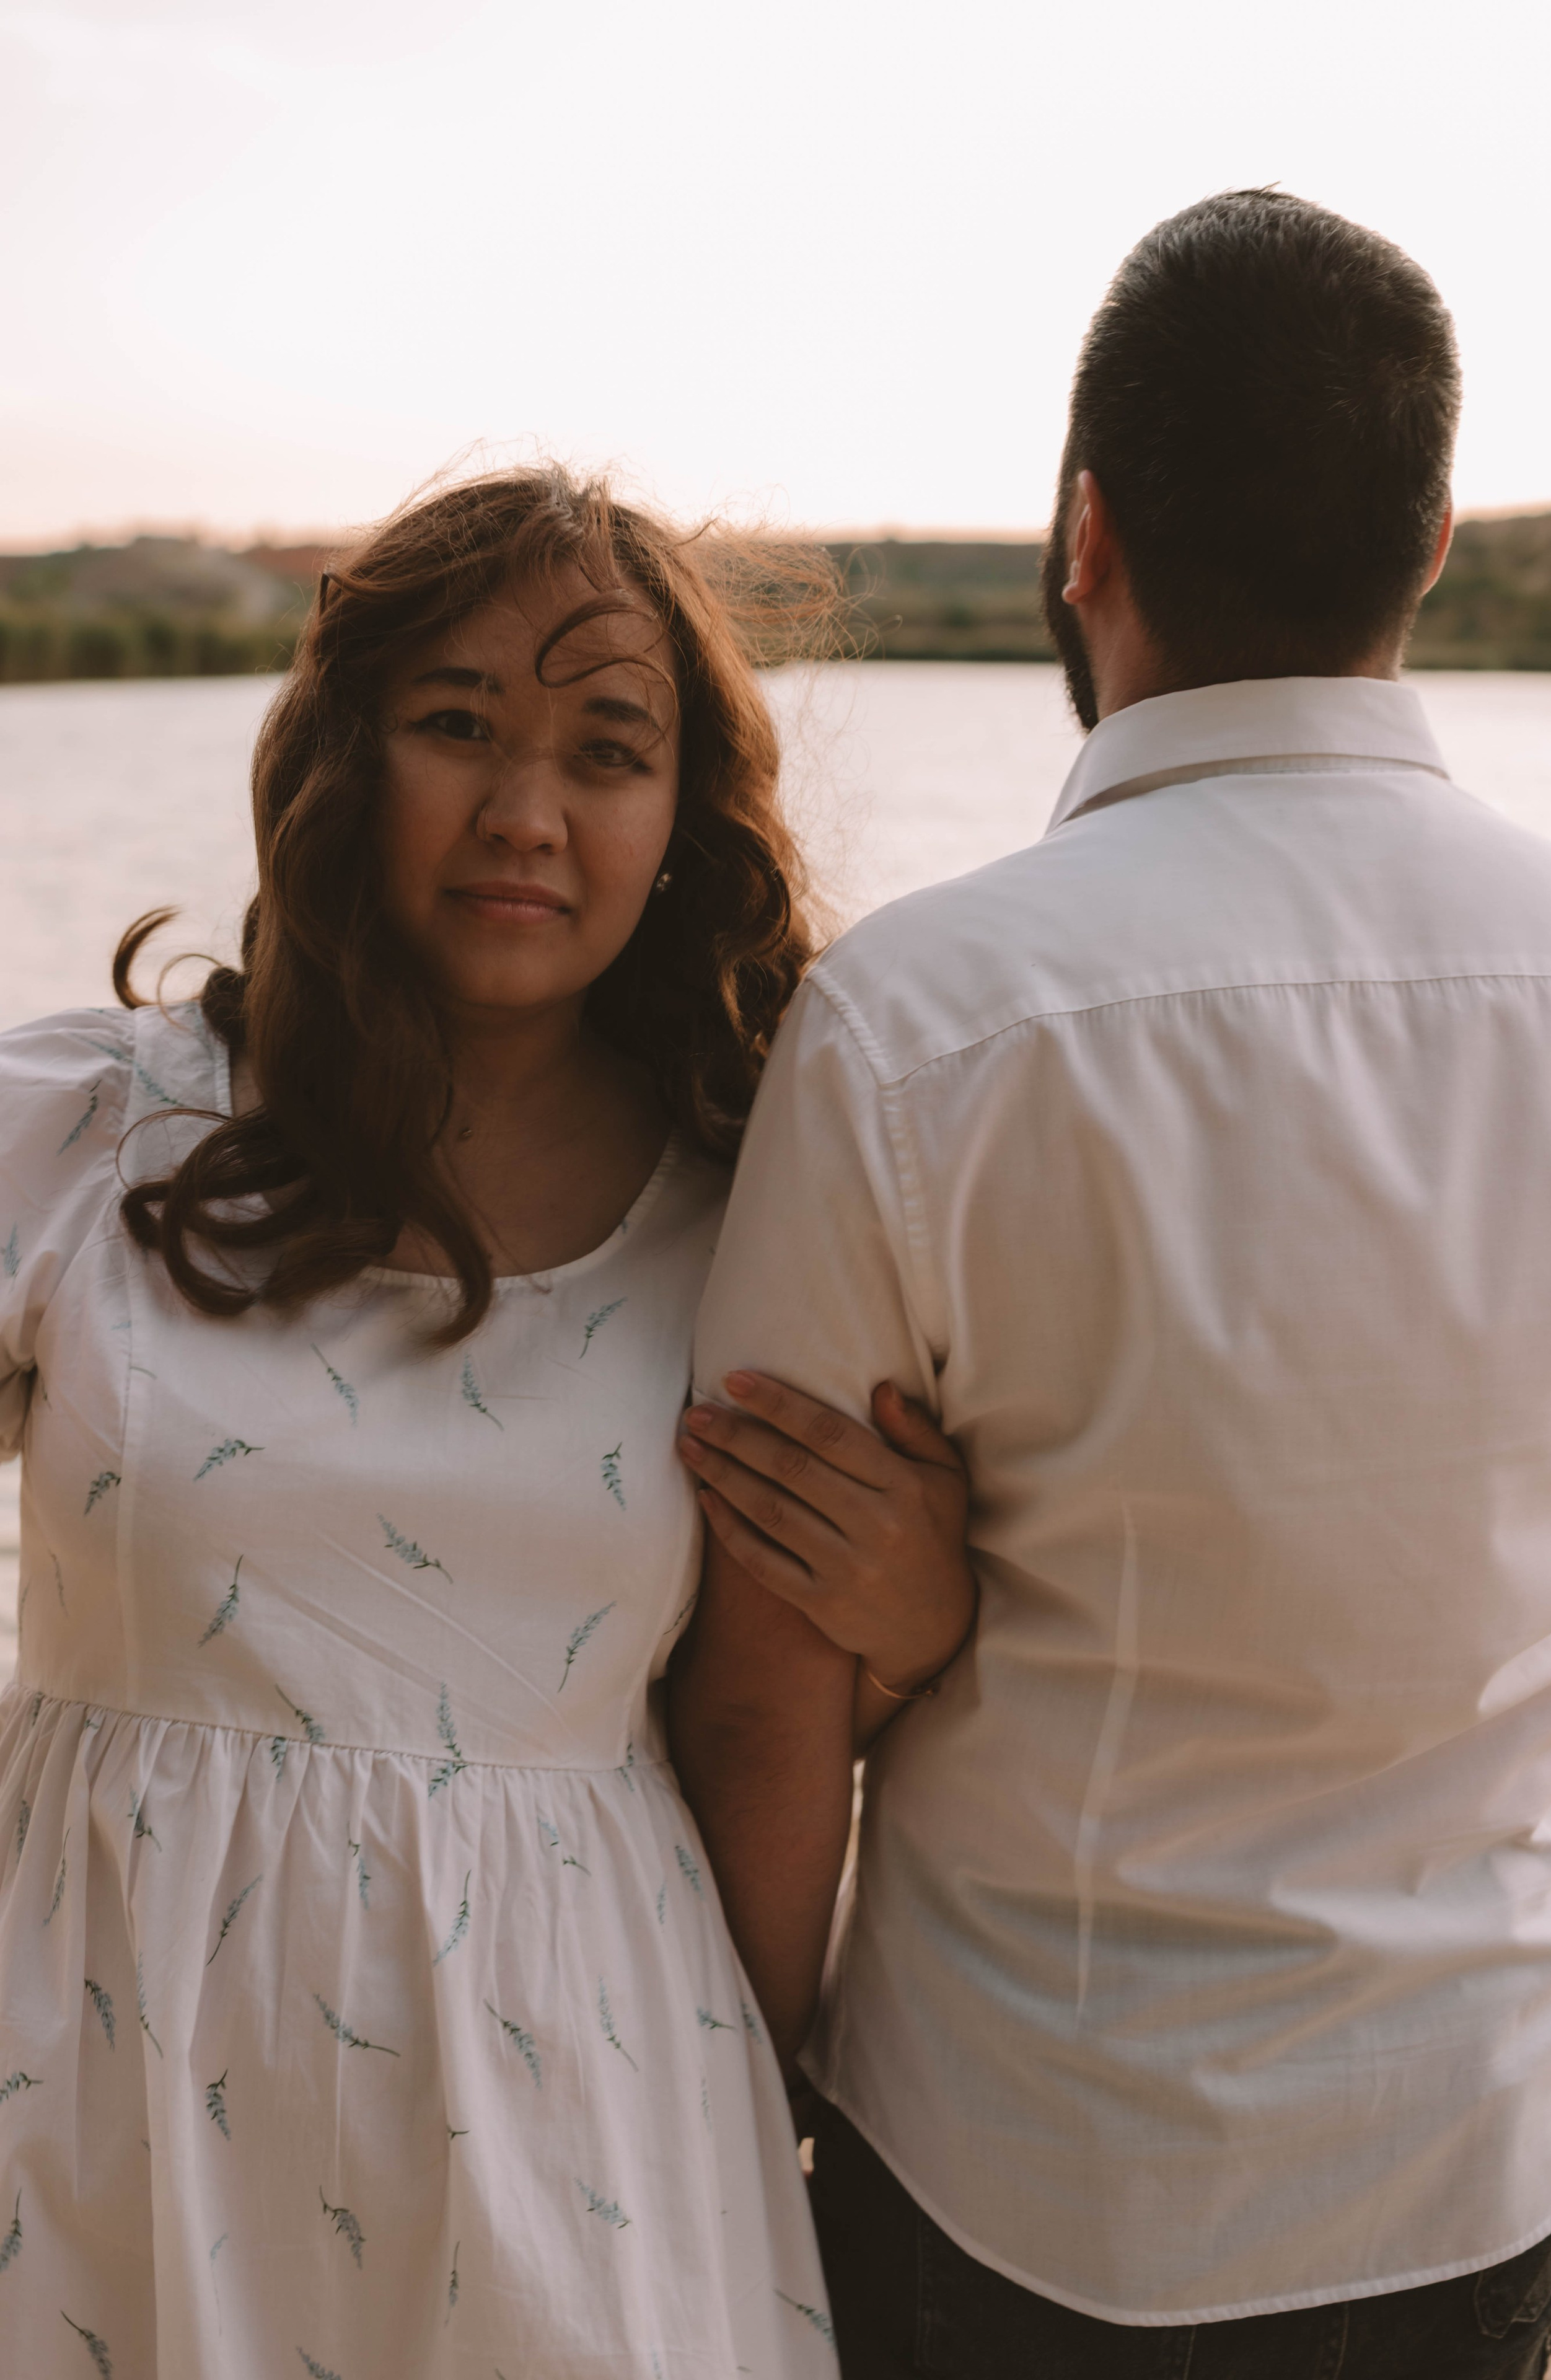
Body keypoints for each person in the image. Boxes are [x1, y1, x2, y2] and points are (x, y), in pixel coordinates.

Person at [670, 193, 1551, 2377]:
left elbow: (767, 1684)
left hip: (1024, 2181)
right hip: (1466, 2158)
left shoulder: (917, 1024)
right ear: (1436, 536)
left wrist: (732, 2103)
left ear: (1085, 535)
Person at [0, 465, 962, 2378]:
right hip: (98, 2064)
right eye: (458, 727)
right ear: (345, 753)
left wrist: (925, 1618)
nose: (526, 814)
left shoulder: (761, 1207)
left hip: (579, 2105)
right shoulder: (102, 1132)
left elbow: (787, 1714)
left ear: (681, 817)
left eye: (608, 750)